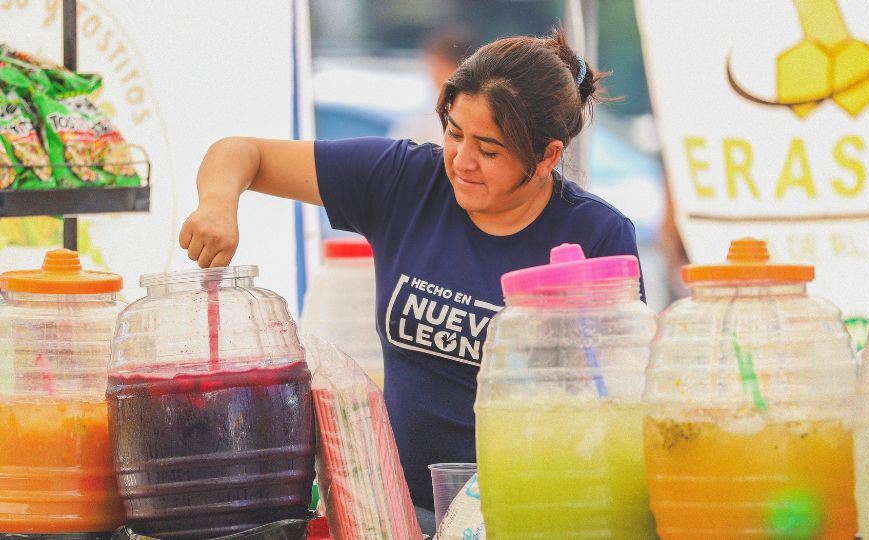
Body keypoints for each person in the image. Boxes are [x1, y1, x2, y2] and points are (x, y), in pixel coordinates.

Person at [178, 28, 644, 535]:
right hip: (396, 509)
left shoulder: (597, 234)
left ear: (548, 157)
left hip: (528, 513)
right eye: (454, 133)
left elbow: (620, 398)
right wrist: (218, 203)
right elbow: (241, 152)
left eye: (489, 149)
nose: (462, 161)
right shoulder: (405, 181)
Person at [388, 24, 476, 145]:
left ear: (440, 64)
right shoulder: (488, 110)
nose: (428, 72)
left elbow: (393, 155)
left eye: (430, 64)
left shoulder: (429, 118)